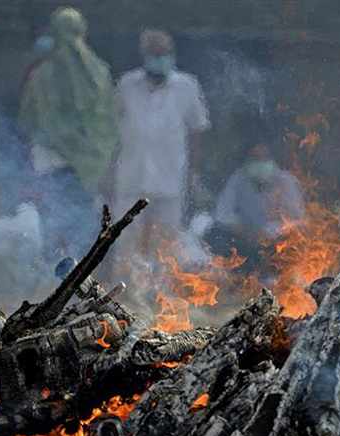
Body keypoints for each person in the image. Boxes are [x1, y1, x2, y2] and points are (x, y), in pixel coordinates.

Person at [18, 7, 118, 263]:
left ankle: (57, 285)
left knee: (55, 229)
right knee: (83, 229)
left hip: (52, 165)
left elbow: (27, 120)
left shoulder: (41, 74)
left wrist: (55, 138)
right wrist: (95, 155)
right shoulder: (100, 73)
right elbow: (108, 124)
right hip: (90, 167)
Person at [112, 29, 210, 257]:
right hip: (131, 178)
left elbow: (197, 132)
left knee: (165, 247)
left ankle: (161, 292)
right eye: (154, 53)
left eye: (164, 52)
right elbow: (113, 132)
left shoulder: (187, 86)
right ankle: (126, 291)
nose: (160, 57)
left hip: (170, 179)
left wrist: (193, 174)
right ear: (144, 55)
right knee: (126, 242)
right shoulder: (126, 85)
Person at [207, 143, 305, 270]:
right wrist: (239, 226)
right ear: (246, 162)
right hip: (246, 239)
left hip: (277, 241)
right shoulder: (238, 180)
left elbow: (298, 219)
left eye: (265, 158)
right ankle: (238, 278)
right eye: (255, 159)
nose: (260, 163)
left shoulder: (286, 181)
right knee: (216, 235)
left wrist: (270, 232)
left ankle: (280, 276)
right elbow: (222, 214)